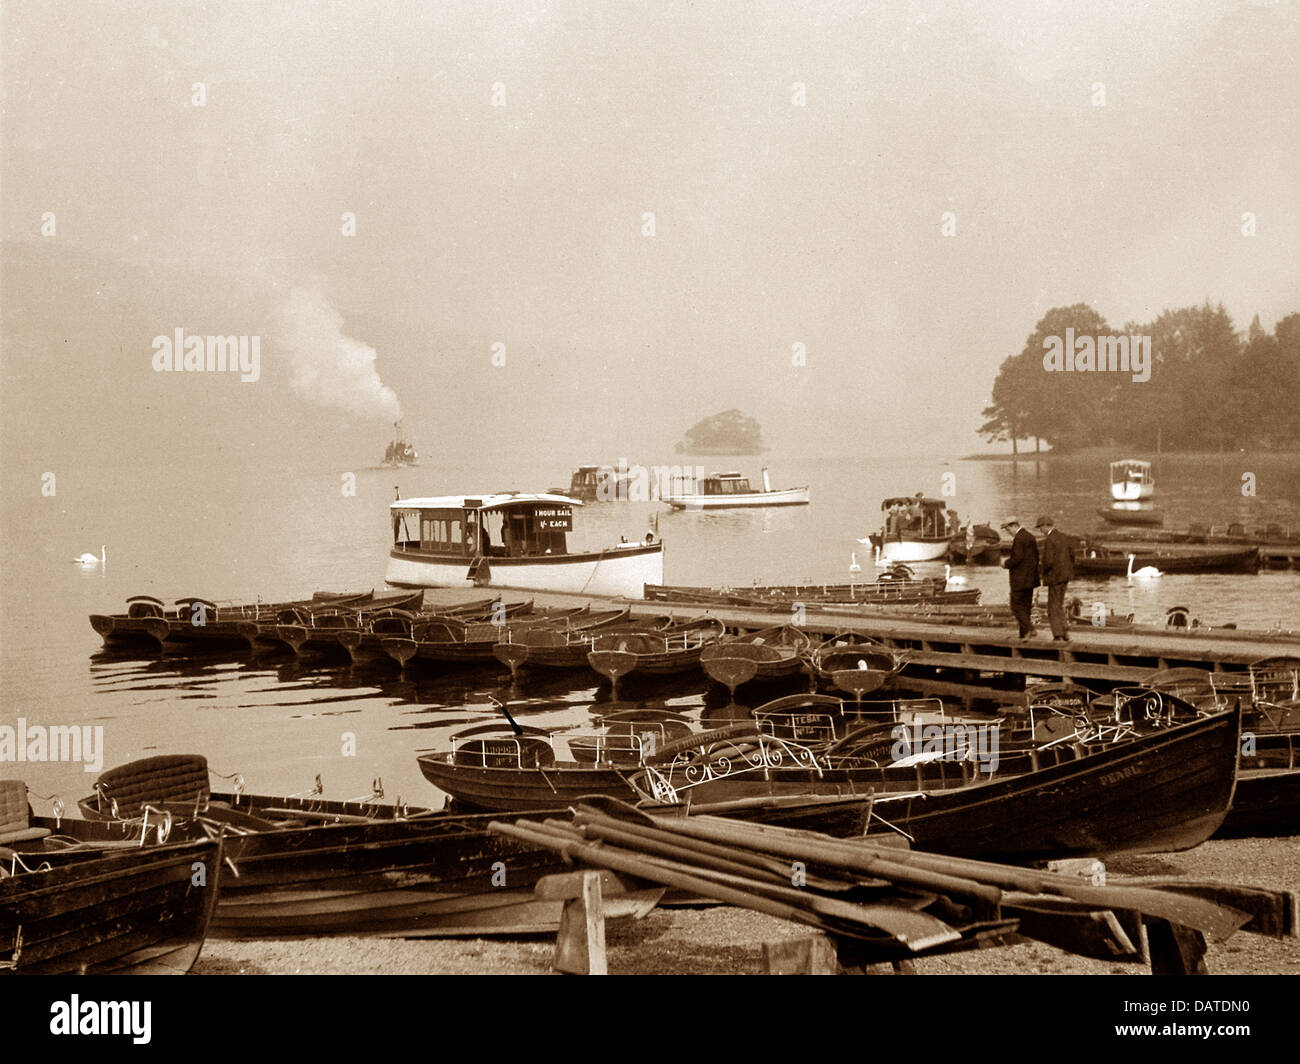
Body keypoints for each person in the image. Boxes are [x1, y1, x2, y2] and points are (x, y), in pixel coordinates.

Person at [1036, 515, 1075, 642]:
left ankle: (1058, 635)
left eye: (1040, 527)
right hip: (1066, 576)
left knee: (1053, 606)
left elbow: (1048, 561)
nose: (1040, 530)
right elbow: (1072, 555)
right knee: (1059, 604)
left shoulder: (1049, 540)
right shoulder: (1065, 537)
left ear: (1045, 526)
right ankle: (1065, 633)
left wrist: (1041, 572)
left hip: (1054, 577)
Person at [1001, 517, 1039, 639]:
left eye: (1008, 529)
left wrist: (1005, 564)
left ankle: (1030, 629)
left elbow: (1017, 558)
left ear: (1013, 525)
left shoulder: (1018, 539)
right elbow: (1035, 557)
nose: (1008, 532)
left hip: (1019, 579)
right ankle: (1023, 635)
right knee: (1026, 607)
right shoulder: (1030, 536)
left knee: (1015, 606)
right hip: (1031, 579)